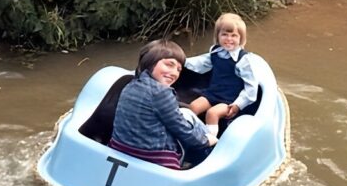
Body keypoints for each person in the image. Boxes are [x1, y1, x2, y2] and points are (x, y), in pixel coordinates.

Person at [110, 40, 217, 169]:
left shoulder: (130, 85)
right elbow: (182, 129)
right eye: (169, 65)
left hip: (121, 148)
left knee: (186, 113)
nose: (174, 73)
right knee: (190, 119)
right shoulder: (161, 92)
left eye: (178, 69)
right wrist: (206, 141)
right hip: (153, 157)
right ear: (151, 61)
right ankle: (213, 155)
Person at [184, 13, 259, 137]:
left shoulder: (243, 60)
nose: (229, 39)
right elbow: (201, 62)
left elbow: (251, 88)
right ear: (218, 36)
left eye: (234, 35)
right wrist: (182, 61)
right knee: (193, 106)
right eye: (224, 34)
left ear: (241, 38)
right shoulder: (216, 52)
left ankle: (209, 141)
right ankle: (188, 134)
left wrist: (238, 105)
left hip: (229, 100)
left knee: (212, 114)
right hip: (212, 93)